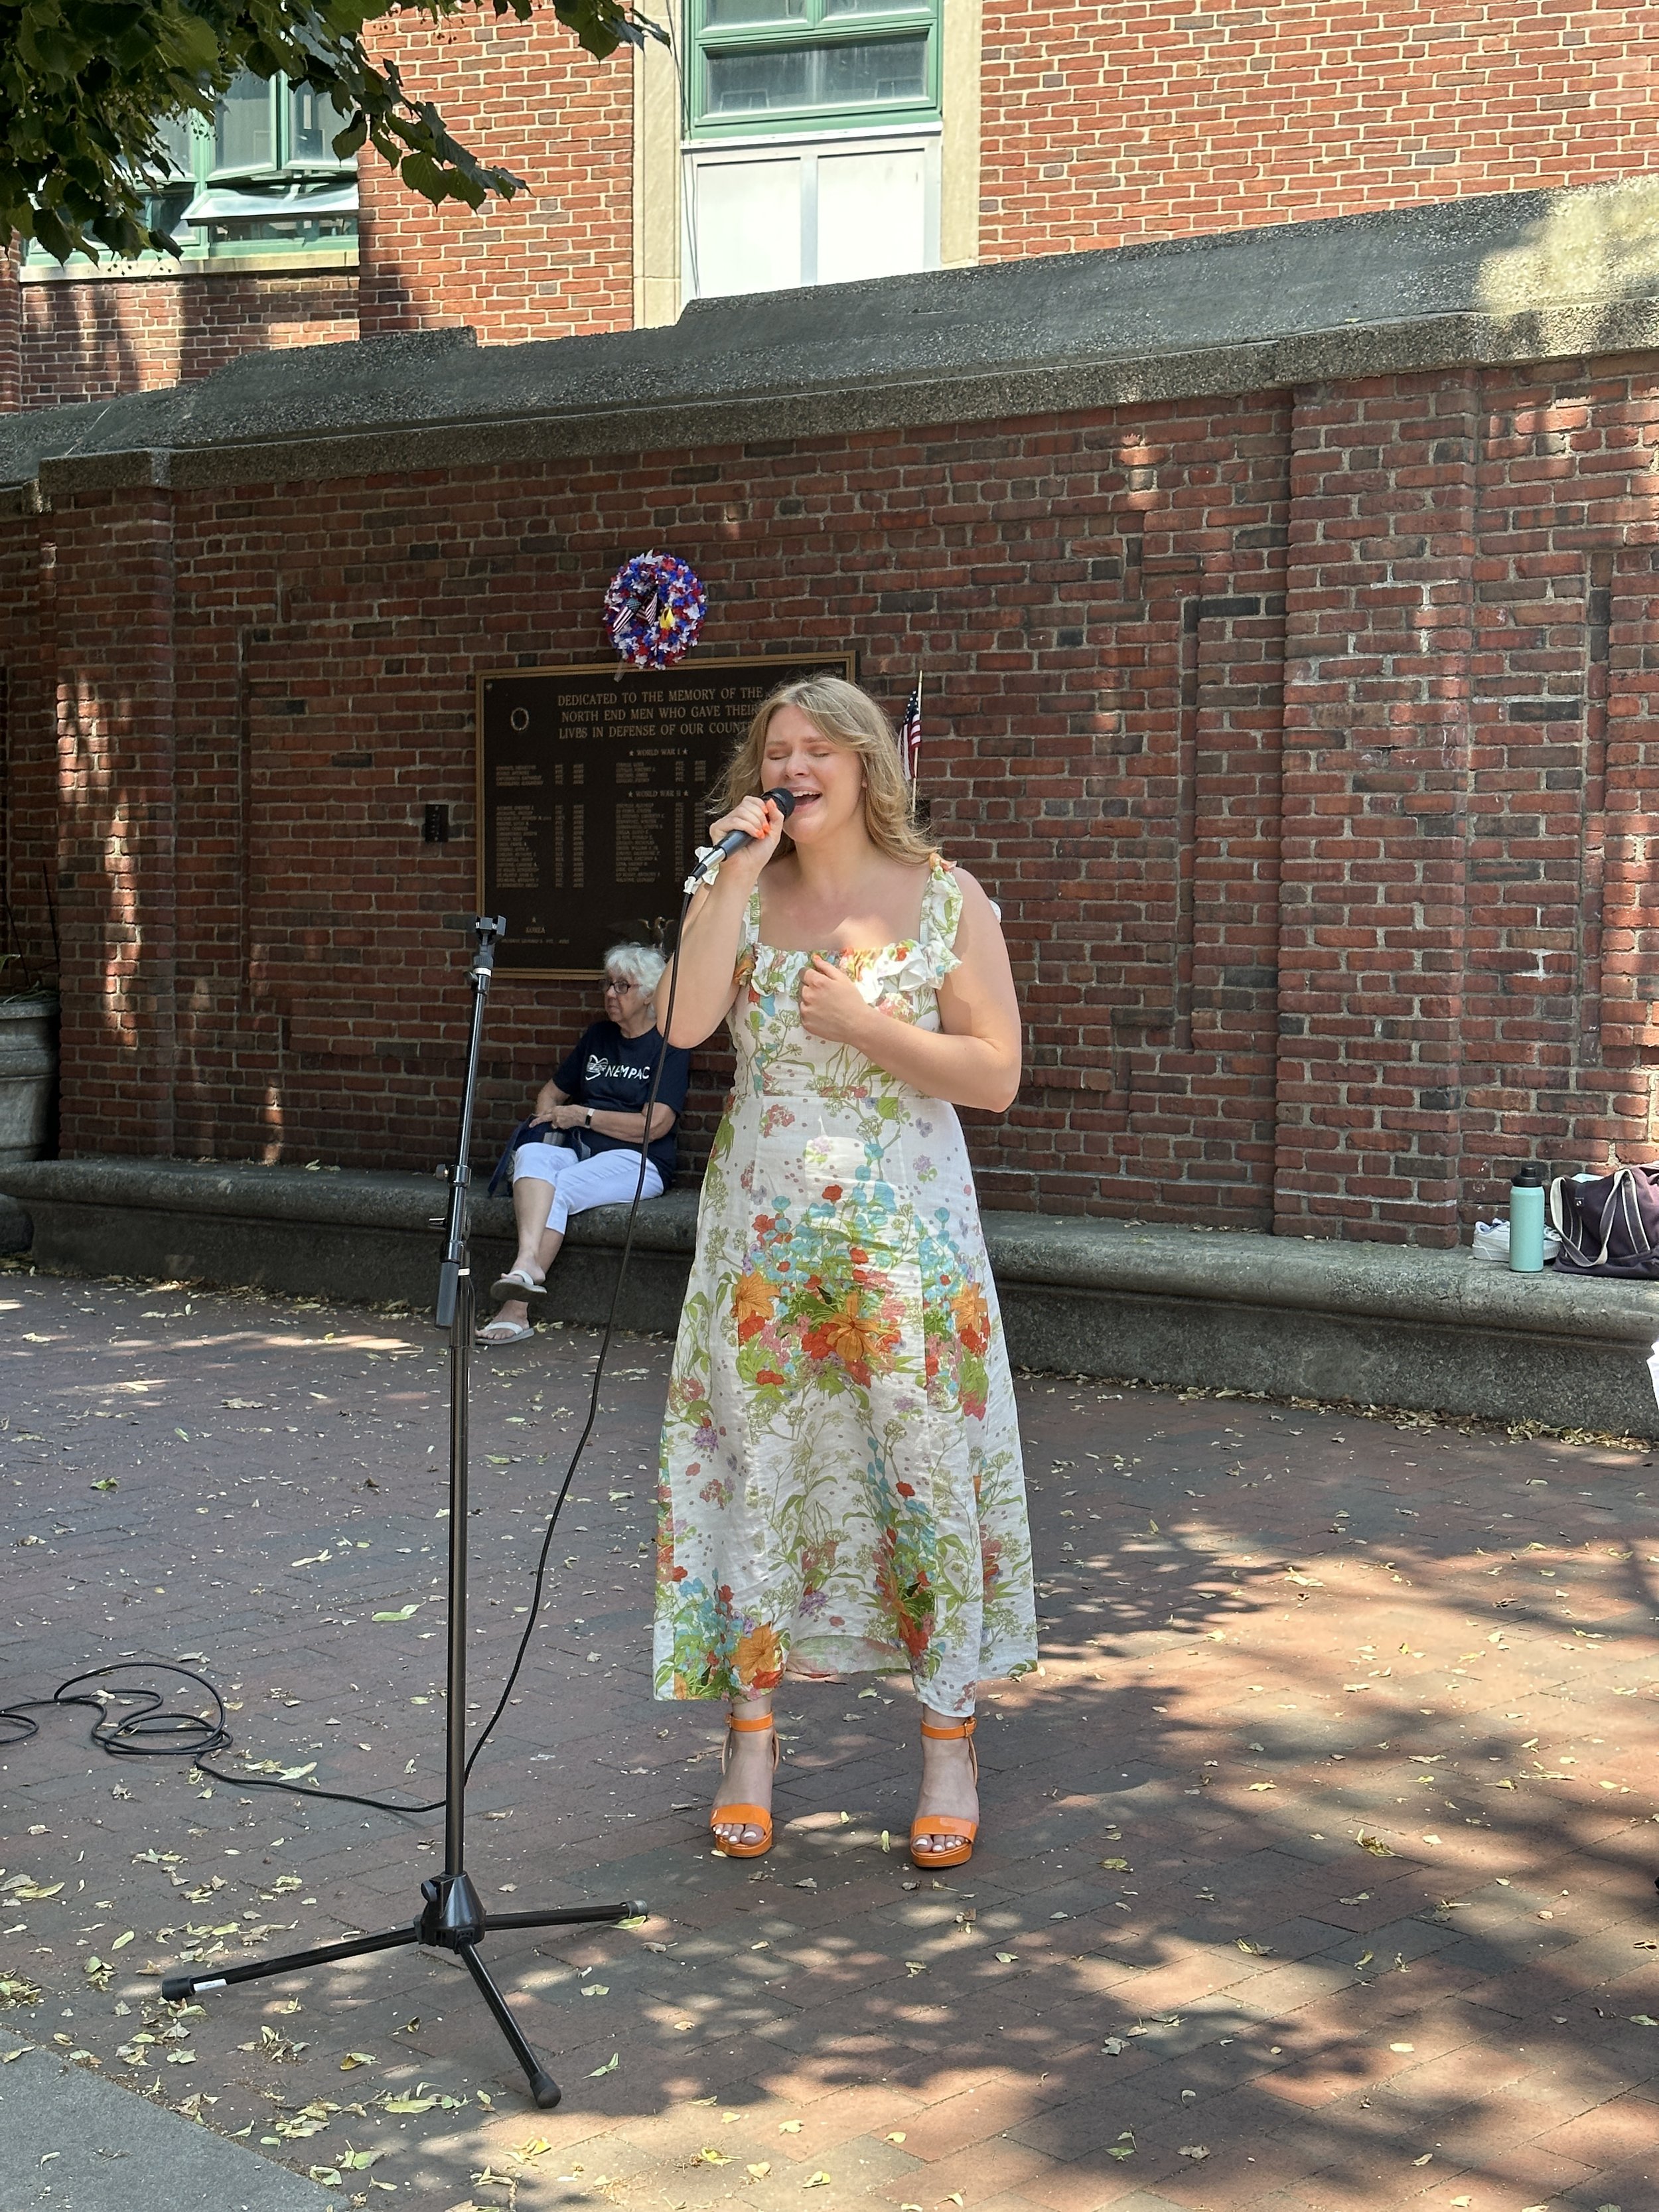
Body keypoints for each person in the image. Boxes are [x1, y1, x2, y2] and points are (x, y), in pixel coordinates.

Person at [652, 675, 1037, 1869]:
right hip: (764, 1244)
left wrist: (870, 1027)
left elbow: (996, 1074)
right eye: (777, 749)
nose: (793, 765)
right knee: (760, 1471)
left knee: (921, 1475)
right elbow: (682, 1026)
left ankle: (949, 1745)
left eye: (818, 747)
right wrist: (726, 877)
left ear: (868, 765)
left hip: (906, 1243)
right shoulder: (738, 888)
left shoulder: (946, 896)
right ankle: (750, 1746)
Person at [479, 943, 690, 1347]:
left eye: (623, 986)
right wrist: (549, 1122)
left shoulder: (669, 1046)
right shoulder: (598, 1036)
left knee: (560, 1188)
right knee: (532, 1154)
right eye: (607, 984)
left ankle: (515, 1310)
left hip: (640, 1161)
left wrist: (584, 1116)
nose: (610, 994)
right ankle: (527, 1261)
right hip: (580, 1151)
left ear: (649, 994)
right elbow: (550, 1093)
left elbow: (654, 1126)